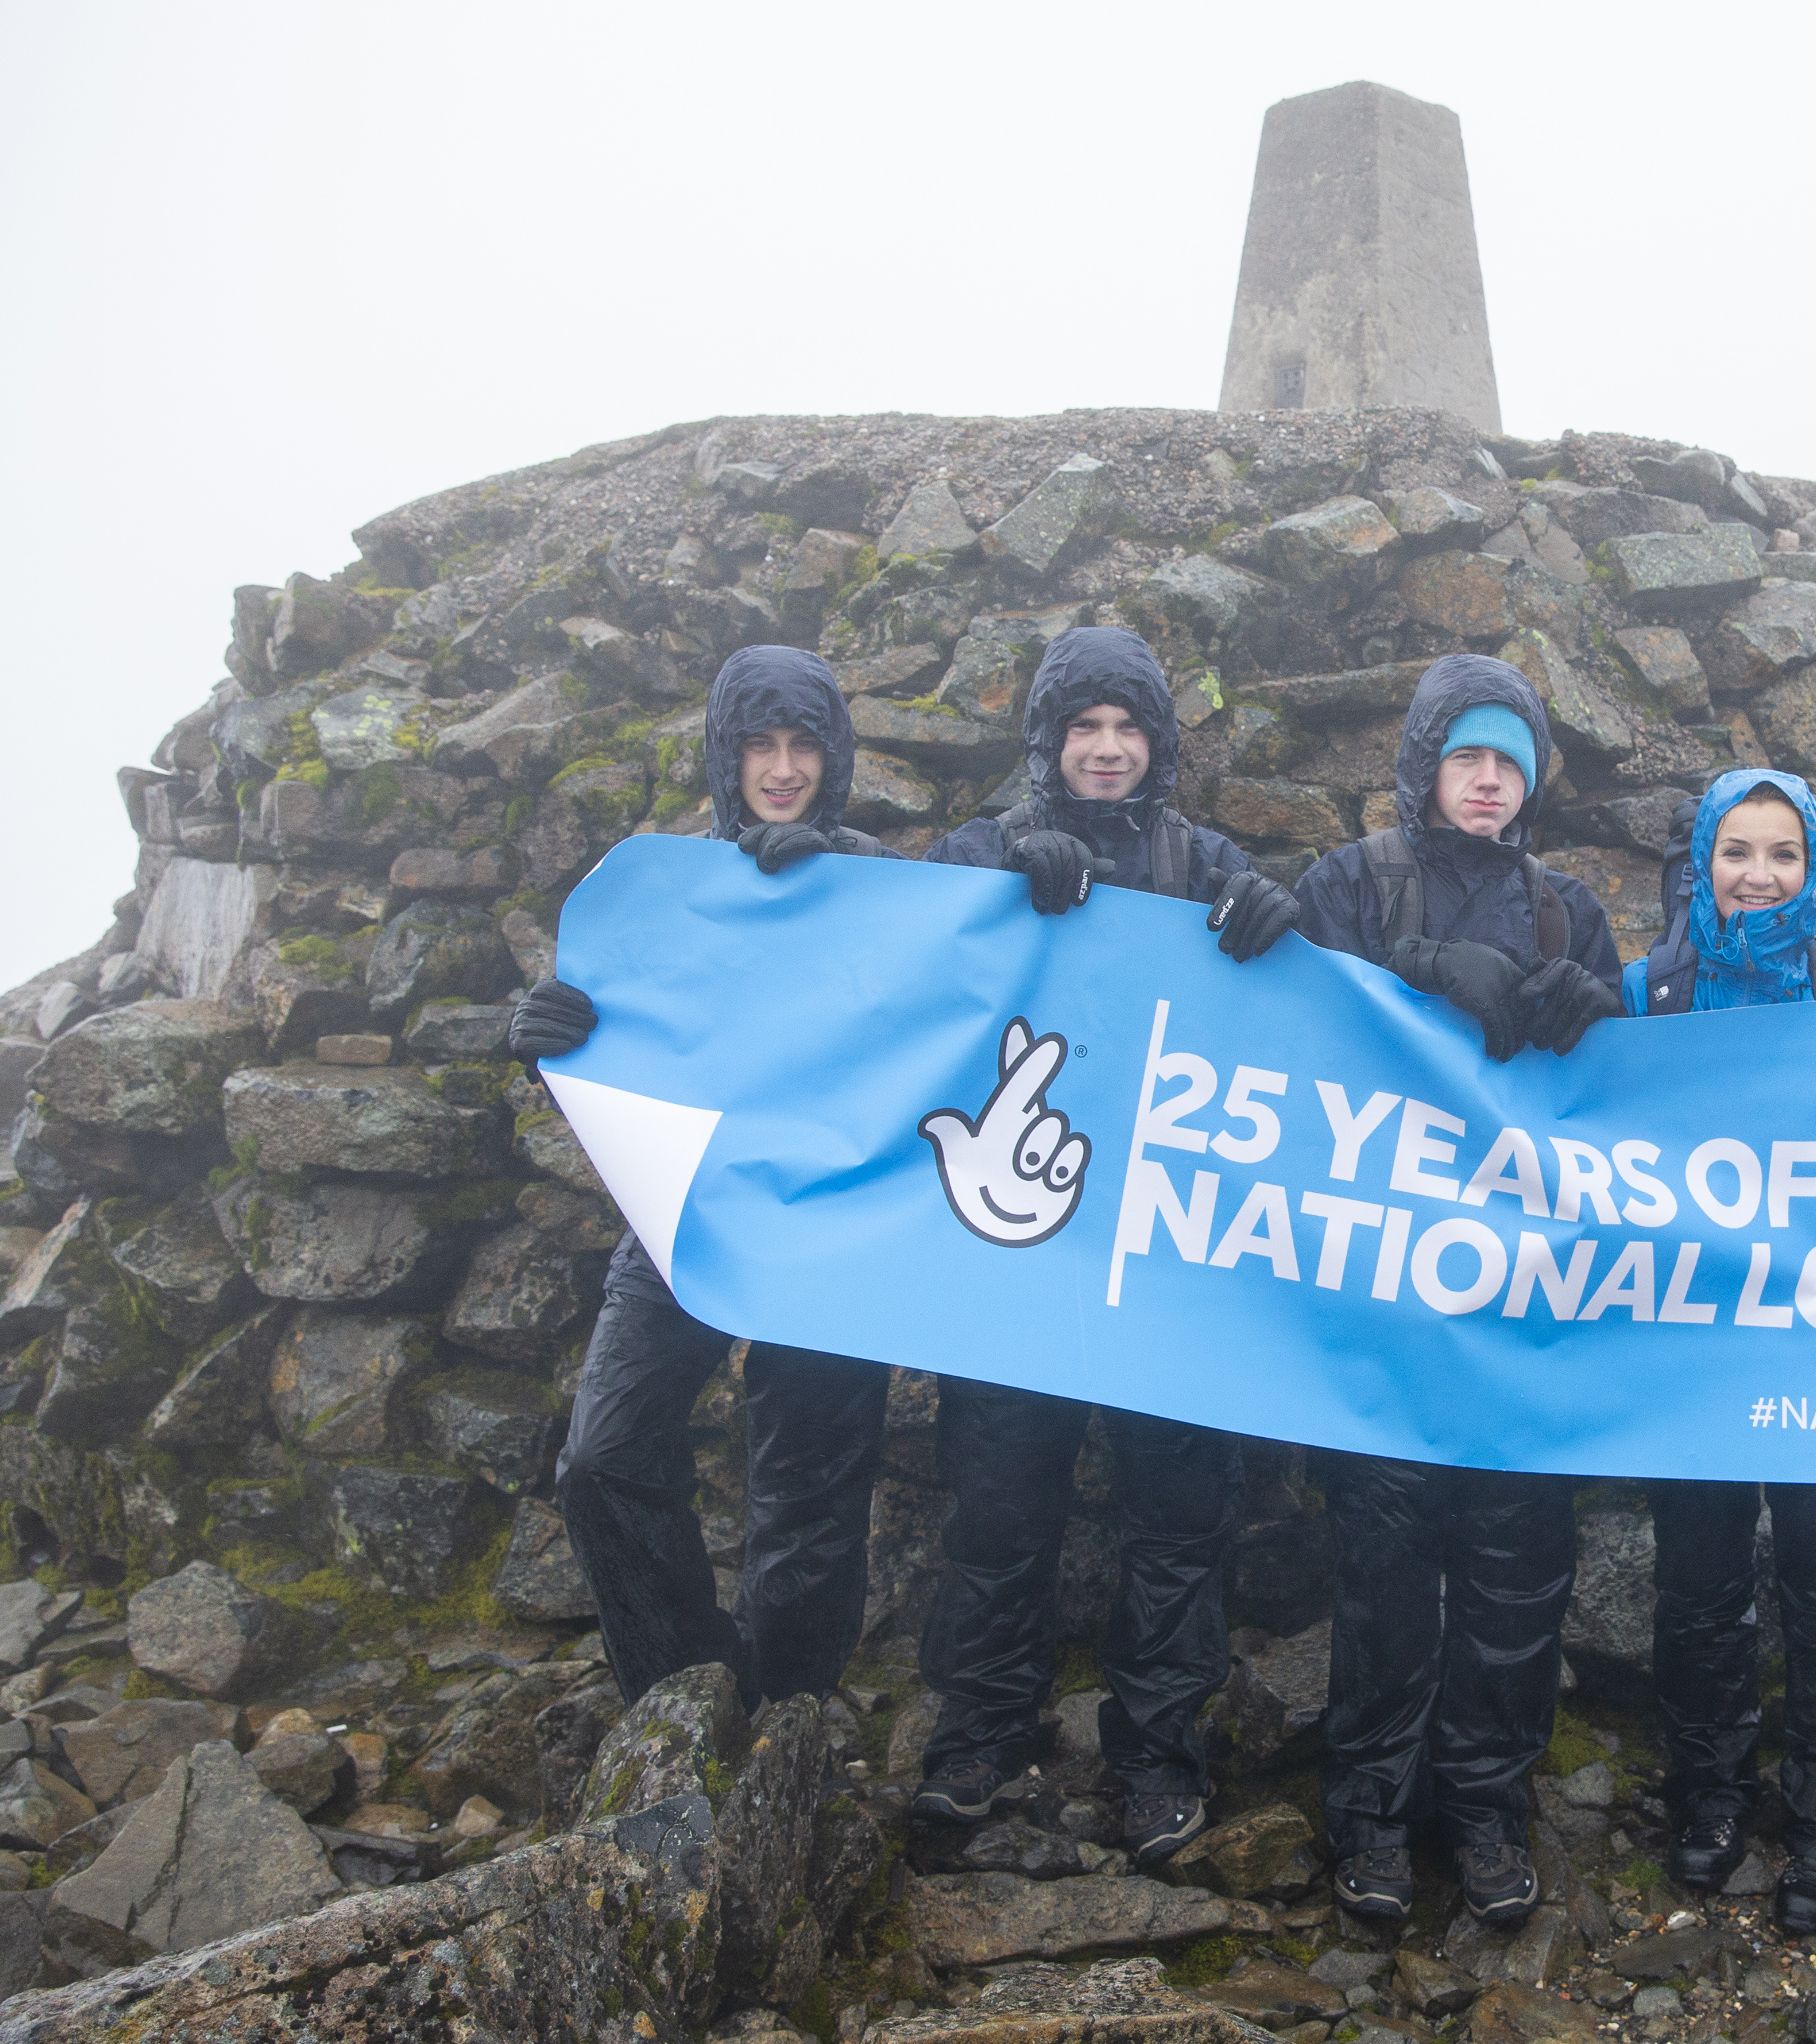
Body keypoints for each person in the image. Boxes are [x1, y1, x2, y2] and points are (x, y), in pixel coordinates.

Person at [910, 625, 1297, 1866]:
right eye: (1085, 728)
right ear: (1050, 740)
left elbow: (1297, 1011)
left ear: (1160, 742)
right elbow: (911, 952)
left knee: (1178, 1515)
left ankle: (1158, 1755)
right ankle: (978, 1735)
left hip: (1169, 1252)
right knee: (1001, 1500)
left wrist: (1274, 925)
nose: (1109, 749)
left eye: (1129, 728)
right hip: (1022, 1250)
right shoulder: (984, 848)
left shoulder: (1206, 859)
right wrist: (1001, 878)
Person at [510, 643, 906, 1715]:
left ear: (836, 757)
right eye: (758, 746)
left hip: (832, 1218)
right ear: (722, 758)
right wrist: (558, 1049)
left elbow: (934, 1041)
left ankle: (788, 1724)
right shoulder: (664, 891)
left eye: (803, 746)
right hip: (686, 1207)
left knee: (809, 1493)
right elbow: (632, 1068)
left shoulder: (885, 884)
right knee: (602, 1459)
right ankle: (685, 1697)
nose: (782, 769)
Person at [1291, 653, 1623, 1927]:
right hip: (1381, 1303)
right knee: (1381, 1567)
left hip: (1523, 1305)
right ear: (1427, 763)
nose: (1489, 782)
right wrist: (1421, 972)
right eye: (1468, 757)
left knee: (1516, 1568)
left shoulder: (1567, 910)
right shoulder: (1352, 884)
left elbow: (1617, 1117)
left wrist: (1601, 1016)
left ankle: (1485, 1808)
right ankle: (1370, 1812)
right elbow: (1292, 1045)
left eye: (1510, 763)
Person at [1620, 769, 1816, 1937]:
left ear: (1814, 869)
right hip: (1695, 1344)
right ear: (1702, 859)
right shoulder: (1649, 990)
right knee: (1699, 1585)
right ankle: (1709, 1798)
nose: (1759, 875)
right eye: (1738, 851)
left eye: (1783, 855)